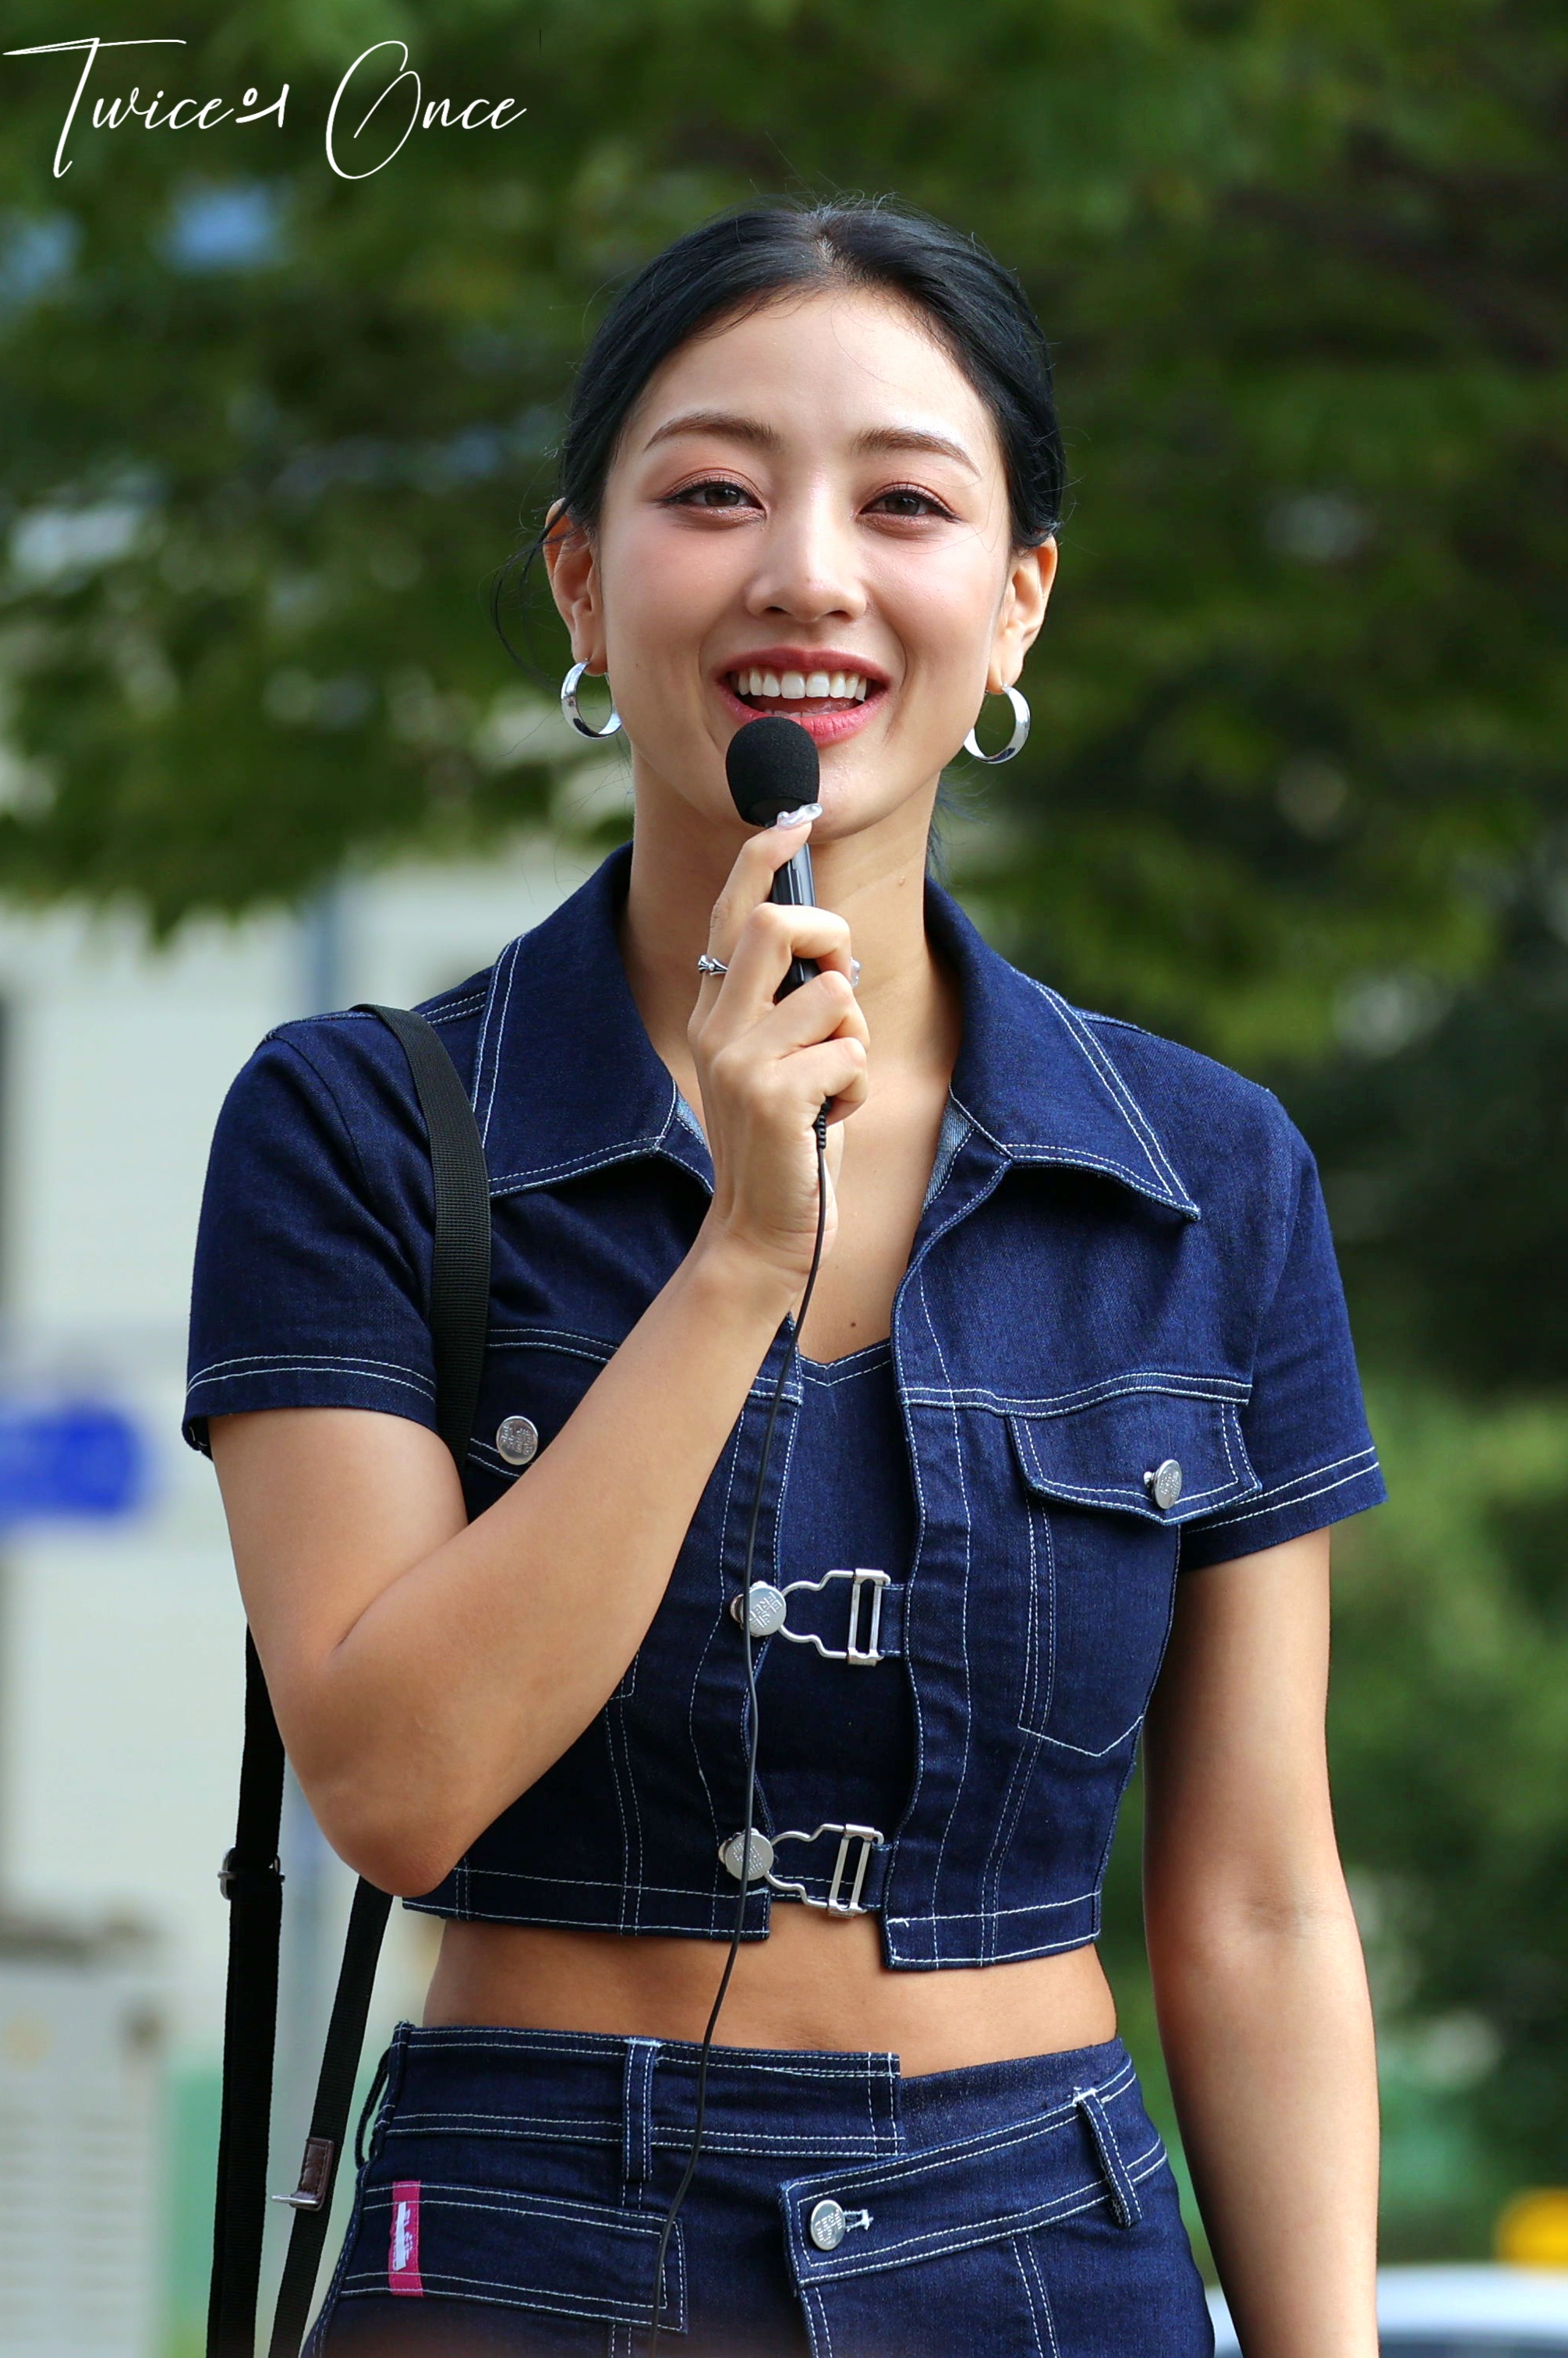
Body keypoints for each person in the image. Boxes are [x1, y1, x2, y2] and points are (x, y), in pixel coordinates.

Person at [186, 200, 1386, 2358]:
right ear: (583, 582)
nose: (808, 575)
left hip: (1047, 2248)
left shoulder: (1206, 1176)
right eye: (713, 494)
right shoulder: (355, 1126)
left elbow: (1264, 1901)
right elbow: (398, 1788)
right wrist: (746, 1246)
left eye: (905, 504)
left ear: (1017, 604)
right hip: (529, 2240)